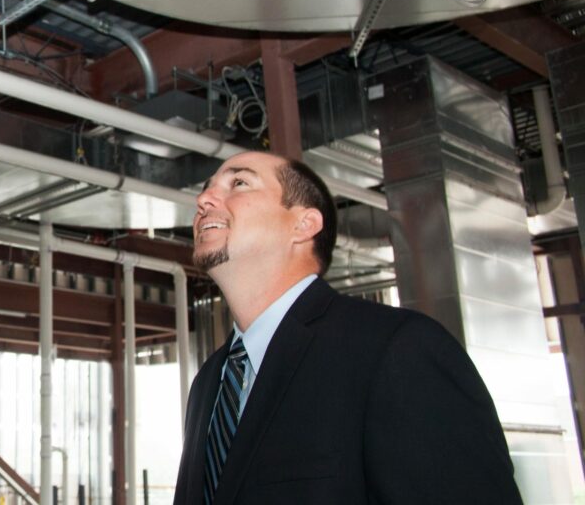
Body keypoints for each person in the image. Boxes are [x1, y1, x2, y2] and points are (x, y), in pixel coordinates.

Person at [171, 151, 522, 505]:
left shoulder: (398, 350)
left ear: (303, 225)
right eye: (206, 189)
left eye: (239, 183)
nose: (203, 200)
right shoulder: (208, 384)